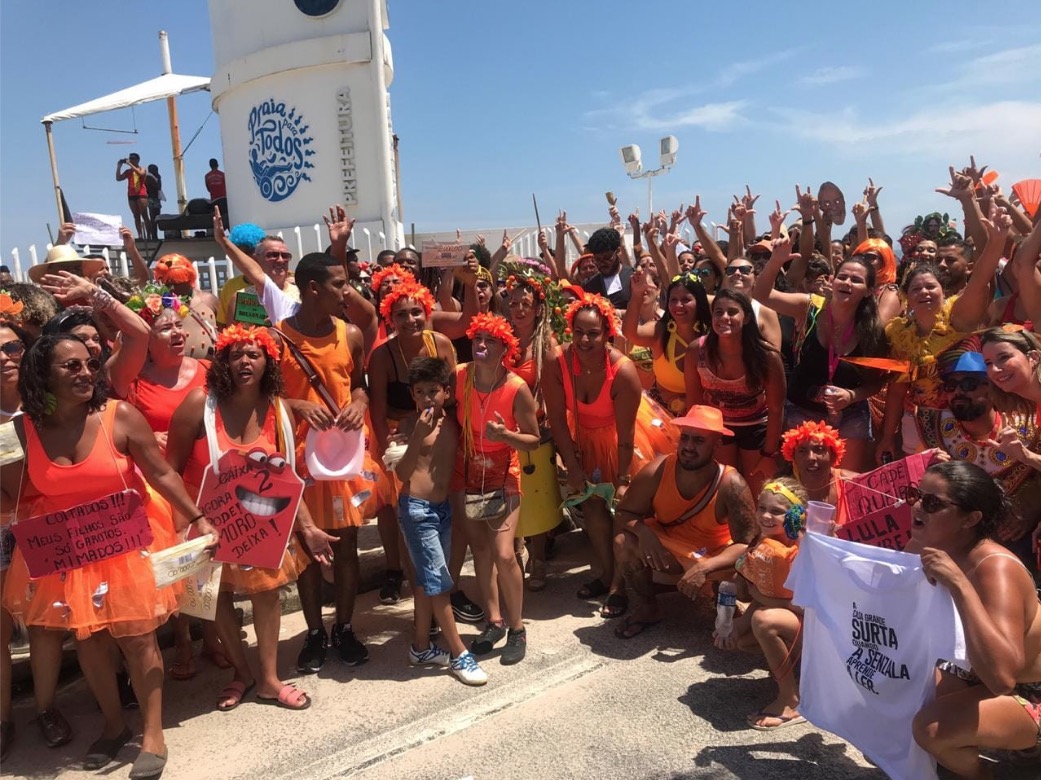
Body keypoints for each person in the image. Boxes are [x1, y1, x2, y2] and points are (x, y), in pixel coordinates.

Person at [0, 334, 217, 778]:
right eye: (71, 366)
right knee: (90, 641)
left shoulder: (121, 417)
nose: (85, 373)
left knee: (138, 639)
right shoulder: (19, 432)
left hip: (127, 544)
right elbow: (11, 498)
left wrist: (201, 517)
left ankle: (152, 733)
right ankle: (115, 725)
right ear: (43, 374)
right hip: (68, 554)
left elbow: (160, 473)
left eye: (89, 364)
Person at [167, 325, 336, 712]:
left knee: (267, 594)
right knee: (219, 598)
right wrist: (182, 526)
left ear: (268, 363)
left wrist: (308, 527)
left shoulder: (277, 409)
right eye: (236, 354)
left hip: (259, 521)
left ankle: (270, 679)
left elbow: (287, 475)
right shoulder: (199, 404)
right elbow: (170, 469)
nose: (245, 361)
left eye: (254, 354)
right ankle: (241, 674)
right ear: (223, 361)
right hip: (208, 521)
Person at [543, 294, 676, 619]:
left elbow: (627, 434)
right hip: (584, 438)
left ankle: (619, 585)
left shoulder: (623, 370)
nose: (584, 340)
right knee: (591, 509)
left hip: (624, 441)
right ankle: (605, 573)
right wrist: (572, 466)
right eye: (578, 332)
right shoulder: (555, 362)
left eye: (593, 333)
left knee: (622, 512)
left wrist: (623, 480)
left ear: (607, 334)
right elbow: (557, 420)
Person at [907, 461, 1041, 776]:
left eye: (932, 502)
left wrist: (960, 585)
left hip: (1027, 690)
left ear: (970, 518)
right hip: (975, 675)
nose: (916, 505)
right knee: (897, 702)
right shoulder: (927, 546)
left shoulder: (996, 568)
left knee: (931, 730)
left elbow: (1002, 678)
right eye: (915, 494)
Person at [275, 252, 371, 673]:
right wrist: (294, 404)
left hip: (342, 460)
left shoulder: (350, 334)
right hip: (297, 463)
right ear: (312, 288)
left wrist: (359, 405)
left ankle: (345, 627)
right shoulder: (275, 338)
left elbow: (362, 386)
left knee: (346, 548)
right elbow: (258, 397)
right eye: (338, 284)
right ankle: (315, 633)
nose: (345, 291)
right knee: (305, 551)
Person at [612, 405, 757, 638]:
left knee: (742, 581)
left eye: (699, 440)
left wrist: (706, 567)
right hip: (666, 549)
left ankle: (720, 597)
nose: (689, 447)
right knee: (623, 542)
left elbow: (748, 544)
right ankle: (647, 608)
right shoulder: (658, 470)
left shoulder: (732, 484)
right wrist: (643, 533)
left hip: (712, 557)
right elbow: (623, 513)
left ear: (717, 444)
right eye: (685, 438)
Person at [879, 208, 1010, 461]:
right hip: (916, 423)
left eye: (931, 286)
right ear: (906, 296)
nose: (924, 292)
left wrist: (996, 241)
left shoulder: (958, 318)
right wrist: (886, 436)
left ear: (942, 291)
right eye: (916, 288)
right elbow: (897, 391)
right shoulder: (897, 333)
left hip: (965, 420)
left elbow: (980, 280)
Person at [391, 356, 488, 685]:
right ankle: (460, 653)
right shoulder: (409, 426)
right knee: (439, 584)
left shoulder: (455, 421)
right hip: (416, 509)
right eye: (420, 392)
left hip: (442, 509)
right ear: (412, 395)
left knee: (426, 583)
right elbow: (401, 474)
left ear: (447, 392)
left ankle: (421, 648)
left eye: (434, 390)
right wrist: (416, 435)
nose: (427, 398)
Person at [753, 238, 887, 472]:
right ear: (832, 280)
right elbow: (761, 295)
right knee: (800, 484)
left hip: (850, 417)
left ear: (868, 291)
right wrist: (775, 261)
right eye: (843, 277)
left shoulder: (873, 329)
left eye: (856, 280)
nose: (847, 283)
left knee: (844, 482)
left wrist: (852, 395)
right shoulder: (808, 308)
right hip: (801, 413)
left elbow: (877, 380)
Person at [453, 313, 540, 663]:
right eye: (477, 339)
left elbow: (533, 440)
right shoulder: (460, 376)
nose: (482, 346)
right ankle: (494, 620)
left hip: (505, 470)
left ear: (505, 347)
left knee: (504, 553)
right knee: (482, 552)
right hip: (470, 469)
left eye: (490, 341)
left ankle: (518, 628)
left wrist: (505, 435)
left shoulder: (516, 387)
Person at [368, 279, 457, 606]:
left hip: (439, 433)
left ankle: (446, 587)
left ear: (427, 311)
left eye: (416, 312)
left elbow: (454, 397)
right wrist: (386, 454)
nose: (410, 321)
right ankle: (412, 580)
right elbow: (377, 412)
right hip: (398, 439)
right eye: (401, 314)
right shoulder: (381, 356)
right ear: (389, 317)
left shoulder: (442, 344)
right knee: (405, 512)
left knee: (444, 507)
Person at [919, 347, 1041, 571]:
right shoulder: (934, 428)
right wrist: (926, 466)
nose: (958, 393)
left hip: (1017, 534)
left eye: (968, 384)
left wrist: (1032, 509)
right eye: (951, 386)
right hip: (959, 534)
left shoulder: (1031, 423)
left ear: (991, 388)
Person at [713, 478, 808, 730]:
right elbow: (760, 594)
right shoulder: (766, 542)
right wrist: (737, 625)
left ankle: (791, 701)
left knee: (764, 621)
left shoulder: (803, 549)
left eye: (777, 511)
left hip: (822, 633)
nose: (766, 515)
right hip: (797, 623)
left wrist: (761, 598)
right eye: (762, 508)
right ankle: (797, 676)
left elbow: (804, 607)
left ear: (796, 515)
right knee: (743, 637)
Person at [686, 289, 785, 494]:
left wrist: (769, 455)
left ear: (747, 317)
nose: (724, 318)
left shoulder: (766, 356)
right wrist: (697, 441)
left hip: (757, 428)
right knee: (721, 492)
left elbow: (776, 409)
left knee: (757, 494)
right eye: (718, 312)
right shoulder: (697, 350)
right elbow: (694, 402)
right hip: (718, 429)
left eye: (732, 312)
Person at [622, 270, 711, 415]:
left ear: (699, 301)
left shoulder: (712, 335)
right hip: (661, 413)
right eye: (673, 300)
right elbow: (630, 333)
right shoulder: (660, 331)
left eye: (686, 299)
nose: (678, 305)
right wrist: (637, 295)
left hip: (703, 415)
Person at [781, 420, 856, 527]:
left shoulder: (852, 483)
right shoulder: (782, 492)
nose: (811, 457)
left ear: (833, 456)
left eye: (819, 449)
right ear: (793, 458)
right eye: (802, 451)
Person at [152, 254, 219, 359]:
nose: (174, 288)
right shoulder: (156, 305)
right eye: (169, 283)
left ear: (190, 278)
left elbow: (224, 333)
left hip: (209, 370)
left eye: (179, 282)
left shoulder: (208, 300)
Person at [581, 228, 633, 309]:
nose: (602, 263)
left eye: (607, 258)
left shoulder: (633, 277)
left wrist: (620, 314)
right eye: (597, 259)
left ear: (618, 251)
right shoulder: (589, 285)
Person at [116, 153, 148, 239]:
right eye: (130, 159)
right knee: (136, 215)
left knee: (144, 215)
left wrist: (130, 164)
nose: (131, 160)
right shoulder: (128, 172)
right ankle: (140, 235)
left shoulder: (142, 168)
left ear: (137, 160)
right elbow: (118, 178)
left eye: (133, 159)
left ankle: (149, 235)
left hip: (141, 194)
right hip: (131, 195)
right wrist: (119, 166)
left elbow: (141, 173)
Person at [205, 158, 228, 224]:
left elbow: (208, 189)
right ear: (217, 165)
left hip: (214, 202)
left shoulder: (207, 176)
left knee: (216, 220)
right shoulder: (223, 175)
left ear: (210, 165)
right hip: (224, 201)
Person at [144, 164, 163, 241]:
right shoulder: (149, 177)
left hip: (154, 198)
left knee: (156, 218)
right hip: (152, 199)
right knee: (154, 218)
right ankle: (154, 236)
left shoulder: (152, 177)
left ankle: (154, 235)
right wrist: (159, 178)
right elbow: (158, 187)